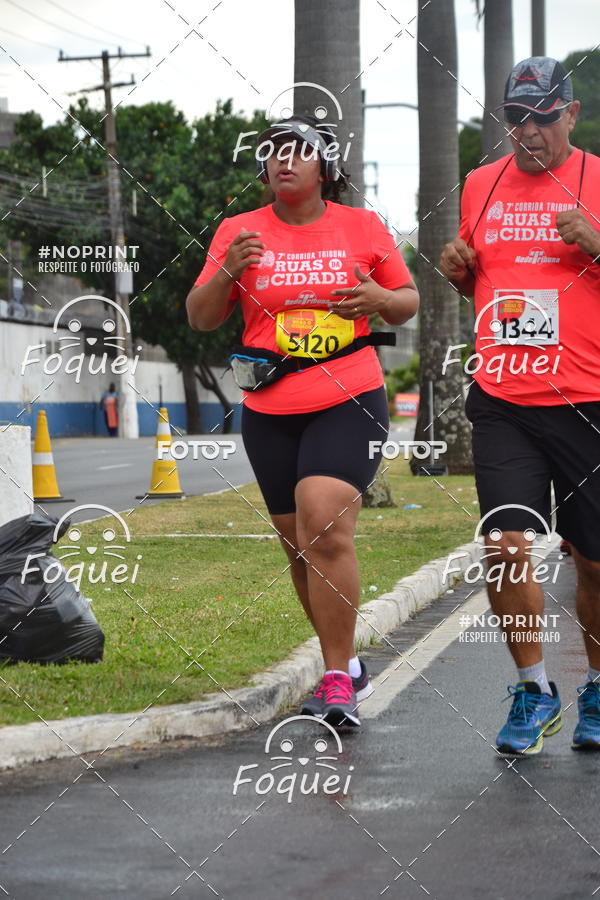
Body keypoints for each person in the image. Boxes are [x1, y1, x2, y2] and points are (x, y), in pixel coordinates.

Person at [187, 115, 419, 727]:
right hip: (270, 408)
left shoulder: (361, 227)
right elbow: (201, 317)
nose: (282, 161)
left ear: (325, 167)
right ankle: (345, 662)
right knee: (299, 548)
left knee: (324, 524)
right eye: (272, 153)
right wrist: (228, 270)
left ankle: (339, 680)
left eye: (298, 152)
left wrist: (378, 302)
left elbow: (407, 299)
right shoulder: (239, 231)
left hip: (350, 395)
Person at [440, 57, 600, 755]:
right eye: (515, 118)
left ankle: (596, 687)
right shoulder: (482, 184)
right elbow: (484, 284)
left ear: (570, 112)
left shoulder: (598, 179)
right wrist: (458, 274)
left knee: (594, 564)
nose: (527, 132)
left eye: (541, 116)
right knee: (505, 549)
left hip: (588, 399)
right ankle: (534, 691)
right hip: (503, 395)